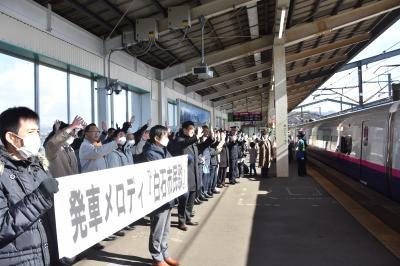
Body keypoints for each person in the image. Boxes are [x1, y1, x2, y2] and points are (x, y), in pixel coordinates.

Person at [0, 107, 59, 265]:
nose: (37, 137)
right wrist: (40, 197)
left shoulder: (38, 166)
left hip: (46, 257)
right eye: (31, 132)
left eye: (38, 131)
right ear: (12, 138)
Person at [143, 125, 180, 266]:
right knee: (157, 228)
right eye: (165, 135)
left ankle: (165, 254)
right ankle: (157, 258)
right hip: (158, 196)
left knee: (166, 228)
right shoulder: (150, 152)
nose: (167, 138)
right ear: (157, 138)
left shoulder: (164, 149)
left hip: (168, 194)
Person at [168, 121, 204, 231]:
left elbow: (200, 147)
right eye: (190, 129)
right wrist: (195, 137)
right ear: (184, 130)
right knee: (184, 199)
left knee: (191, 199)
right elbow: (183, 144)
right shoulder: (179, 140)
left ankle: (188, 218)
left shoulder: (192, 141)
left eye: (193, 129)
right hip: (184, 175)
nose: (192, 131)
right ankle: (181, 221)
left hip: (193, 173)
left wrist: (212, 139)